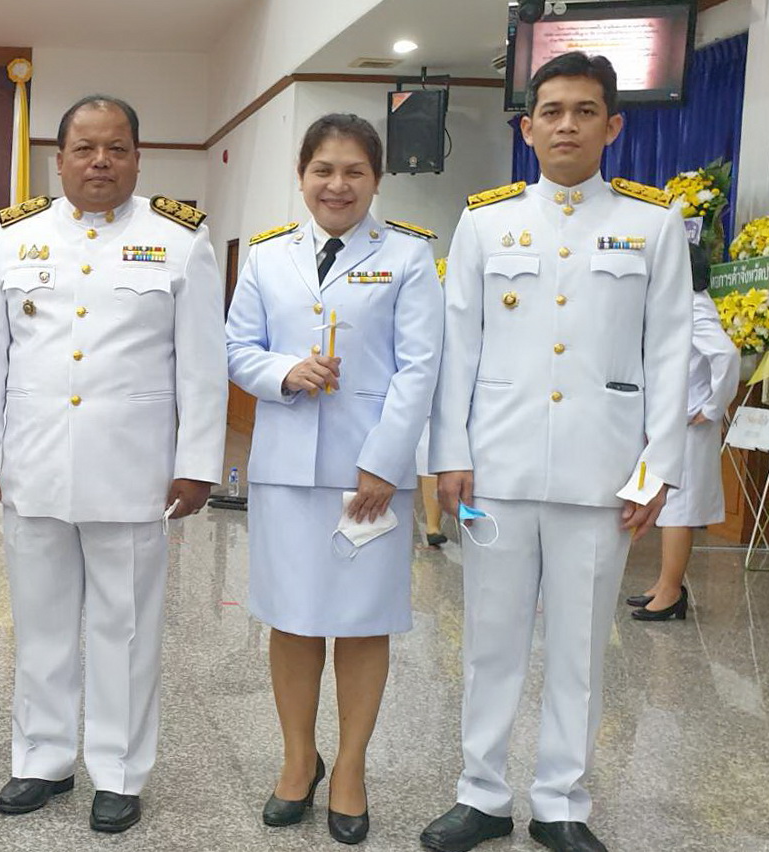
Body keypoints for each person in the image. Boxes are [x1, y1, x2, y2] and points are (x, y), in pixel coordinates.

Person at [422, 52, 691, 852]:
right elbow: (457, 346)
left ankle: (563, 804)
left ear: (611, 126)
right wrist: (449, 453)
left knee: (580, 646)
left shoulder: (652, 223)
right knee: (490, 640)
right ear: (527, 126)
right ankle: (480, 793)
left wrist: (657, 466)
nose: (566, 124)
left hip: (601, 472)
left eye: (583, 111)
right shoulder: (487, 219)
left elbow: (672, 349)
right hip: (495, 468)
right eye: (551, 111)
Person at [0, 94, 227, 834]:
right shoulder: (17, 239)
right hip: (33, 465)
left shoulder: (180, 240)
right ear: (60, 159)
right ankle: (40, 759)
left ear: (139, 157)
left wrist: (198, 460)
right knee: (39, 625)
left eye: (115, 148)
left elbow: (203, 366)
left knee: (126, 627)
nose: (99, 162)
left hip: (134, 472)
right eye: (84, 148)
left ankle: (118, 770)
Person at [226, 113, 443, 843]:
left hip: (367, 476)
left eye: (353, 171)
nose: (337, 184)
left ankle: (349, 768)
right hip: (286, 468)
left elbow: (420, 367)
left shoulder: (409, 257)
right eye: (323, 170)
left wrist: (385, 459)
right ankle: (297, 761)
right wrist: (283, 370)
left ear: (376, 180)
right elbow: (236, 348)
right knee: (291, 619)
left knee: (360, 622)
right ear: (302, 175)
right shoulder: (266, 257)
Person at [628, 242, 740, 621]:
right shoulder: (687, 302)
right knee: (670, 507)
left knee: (678, 509)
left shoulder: (694, 304)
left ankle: (672, 591)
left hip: (691, 423)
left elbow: (725, 355)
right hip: (678, 420)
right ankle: (664, 583)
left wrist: (711, 408)